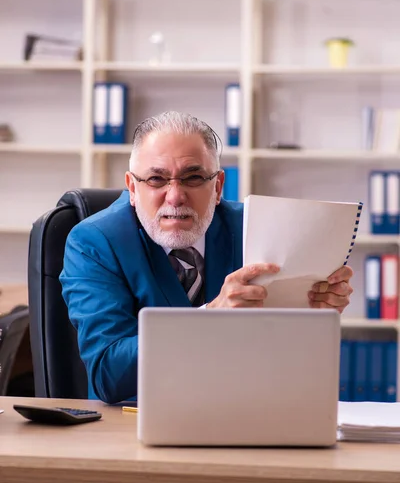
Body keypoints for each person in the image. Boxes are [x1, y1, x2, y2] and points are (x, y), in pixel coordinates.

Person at [60, 111, 354, 403]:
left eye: (193, 178)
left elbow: (282, 361)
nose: (175, 196)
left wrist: (313, 314)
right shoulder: (94, 243)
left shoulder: (257, 228)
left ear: (217, 186)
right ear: (132, 188)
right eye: (156, 179)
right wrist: (210, 318)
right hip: (135, 426)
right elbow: (108, 374)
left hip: (245, 416)